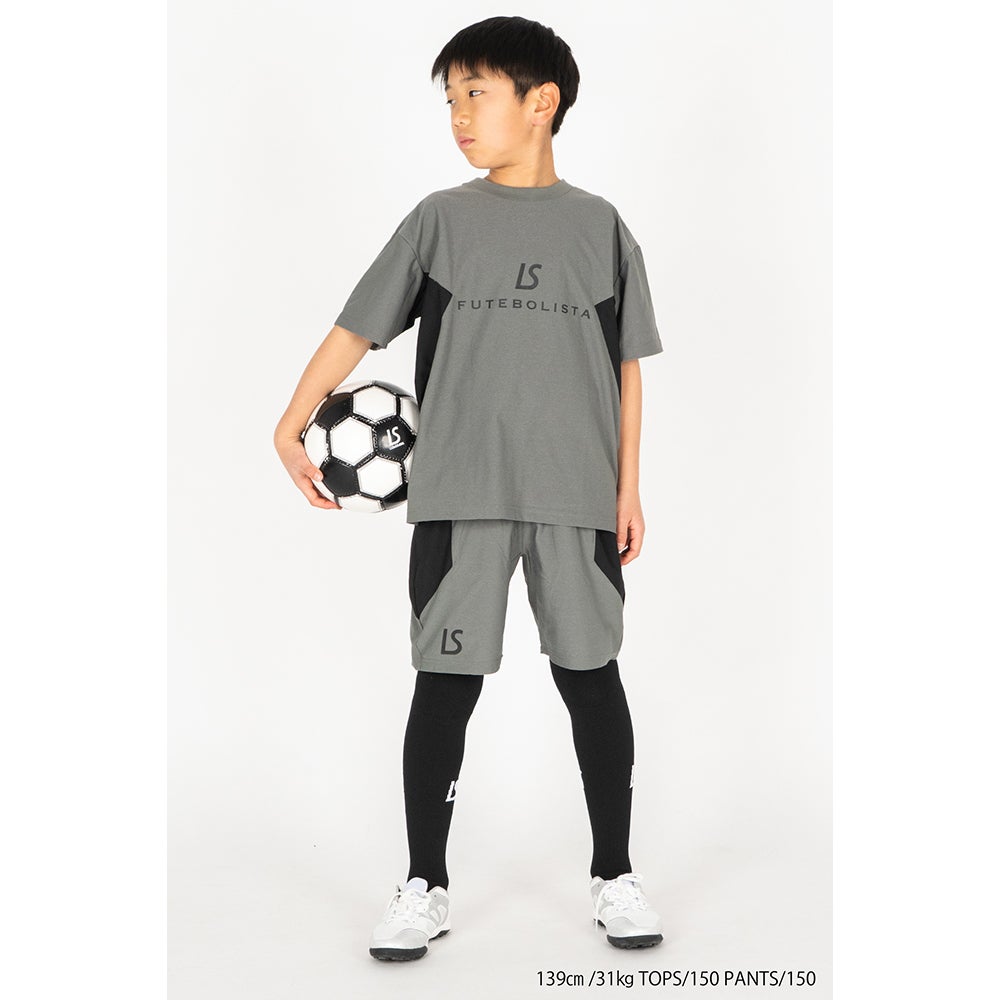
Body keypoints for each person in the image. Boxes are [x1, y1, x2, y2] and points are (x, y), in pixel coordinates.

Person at [273, 15, 665, 961]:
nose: (458, 115)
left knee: (592, 680)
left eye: (475, 94)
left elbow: (626, 369)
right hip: (459, 495)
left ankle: (614, 874)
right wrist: (292, 417)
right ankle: (425, 883)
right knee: (444, 686)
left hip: (576, 498)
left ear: (542, 102)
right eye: (450, 99)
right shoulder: (439, 221)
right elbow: (357, 326)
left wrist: (629, 487)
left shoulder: (602, 227)